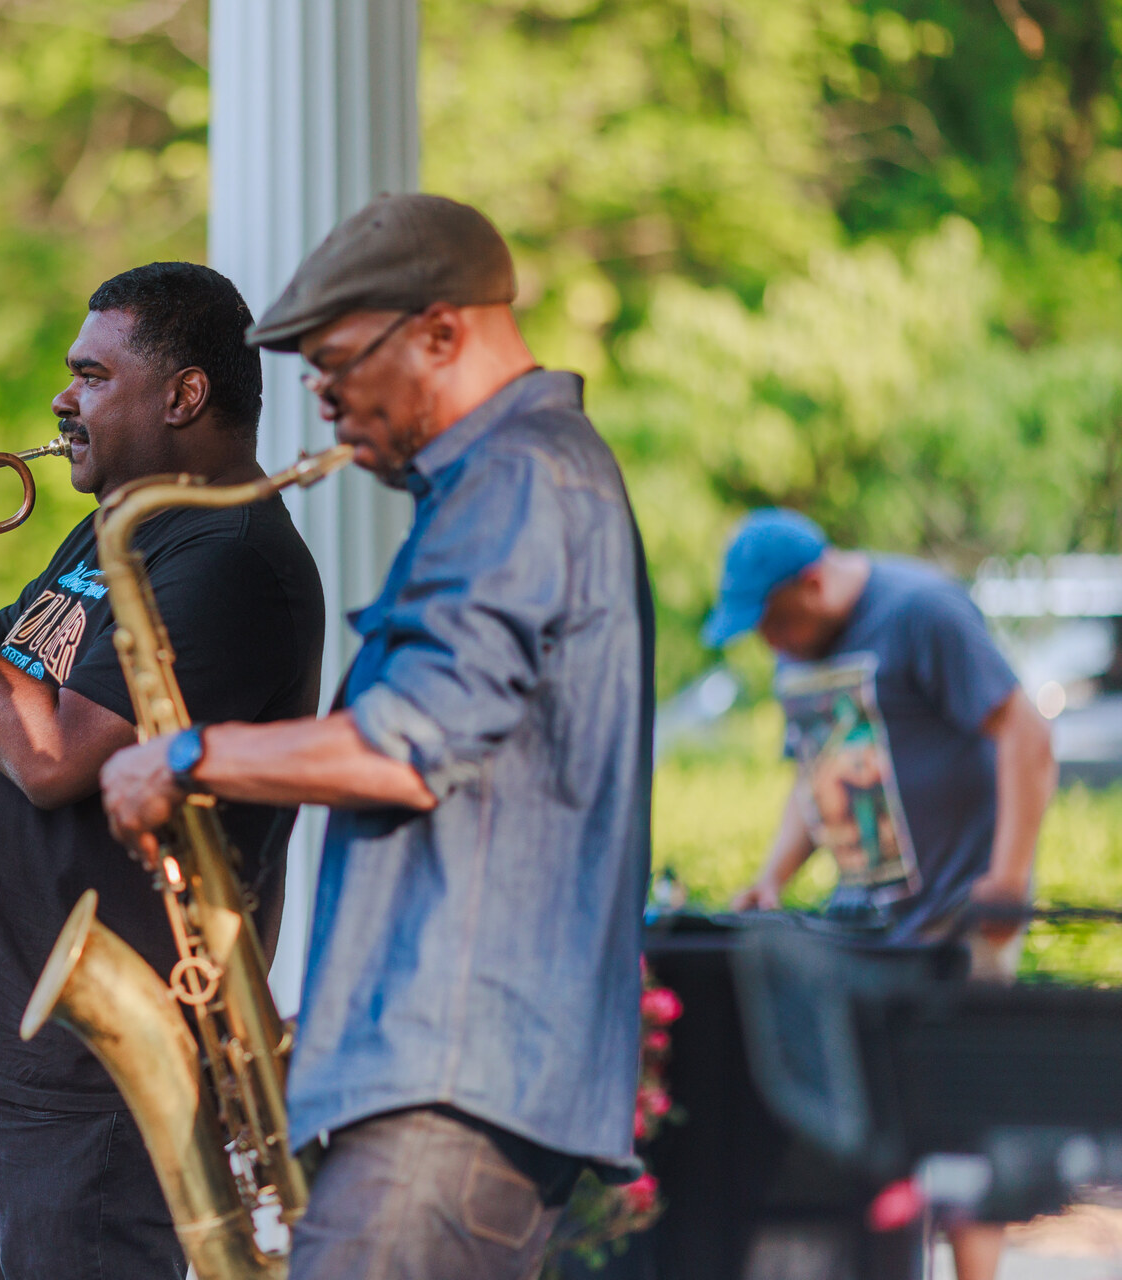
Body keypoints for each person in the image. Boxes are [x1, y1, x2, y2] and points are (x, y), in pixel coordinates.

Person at [100, 194, 656, 1280]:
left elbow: (405, 745)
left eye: (341, 365)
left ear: (443, 330)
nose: (328, 403)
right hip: (452, 1067)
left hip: (451, 1078)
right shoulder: (526, 479)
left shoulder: (519, 479)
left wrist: (180, 756)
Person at [0, 261, 327, 1280]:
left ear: (182, 395)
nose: (62, 396)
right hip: (15, 1045)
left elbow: (48, 758)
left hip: (91, 1069)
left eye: (92, 373)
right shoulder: (120, 528)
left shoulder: (227, 553)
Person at [707, 509, 1056, 1280]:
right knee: (872, 1133)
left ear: (814, 580)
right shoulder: (796, 656)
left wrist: (1006, 879)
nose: (767, 640)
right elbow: (815, 776)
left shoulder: (920, 611)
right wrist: (772, 877)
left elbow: (1025, 735)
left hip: (964, 920)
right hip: (868, 928)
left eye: (773, 619)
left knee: (964, 1133)